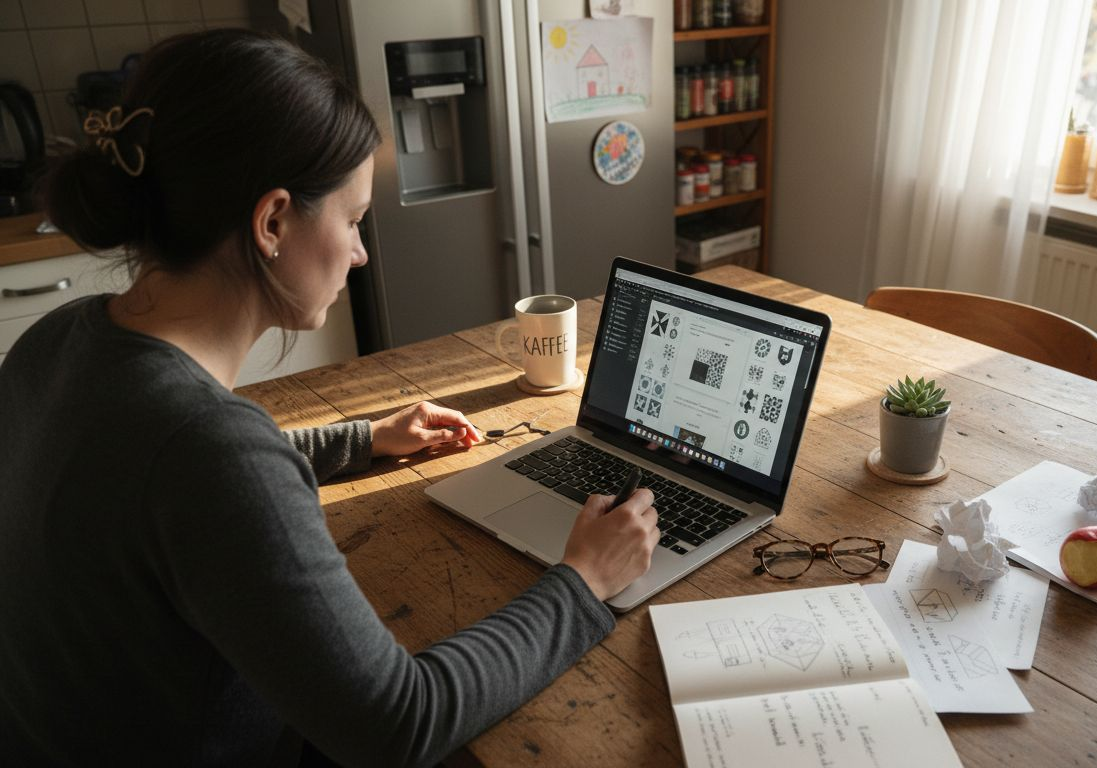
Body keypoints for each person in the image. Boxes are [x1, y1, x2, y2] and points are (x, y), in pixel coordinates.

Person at [0, 29, 658, 767]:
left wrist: (364, 437)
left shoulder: (55, 343)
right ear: (273, 220)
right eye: (351, 220)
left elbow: (160, 485)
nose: (360, 252)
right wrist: (583, 582)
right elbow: (399, 724)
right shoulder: (206, 452)